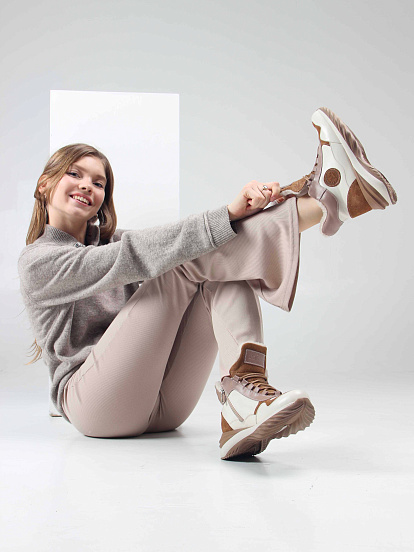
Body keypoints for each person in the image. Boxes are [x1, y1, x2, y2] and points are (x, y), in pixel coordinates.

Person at [18, 107, 397, 460]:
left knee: (215, 267)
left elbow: (177, 246)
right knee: (181, 259)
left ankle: (242, 400)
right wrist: (229, 213)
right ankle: (329, 202)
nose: (87, 185)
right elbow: (141, 255)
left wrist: (253, 208)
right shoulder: (37, 261)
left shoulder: (113, 243)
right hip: (96, 406)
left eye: (98, 182)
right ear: (44, 184)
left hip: (164, 402)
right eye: (75, 174)